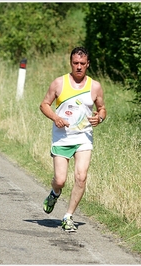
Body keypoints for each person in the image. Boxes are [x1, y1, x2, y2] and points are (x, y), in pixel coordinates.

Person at [39, 47, 107, 231]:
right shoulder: (59, 83)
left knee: (81, 177)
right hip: (62, 138)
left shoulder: (95, 86)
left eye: (82, 64)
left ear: (88, 64)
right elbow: (44, 104)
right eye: (75, 63)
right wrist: (56, 118)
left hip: (84, 137)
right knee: (60, 180)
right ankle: (54, 193)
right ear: (71, 63)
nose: (78, 67)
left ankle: (68, 216)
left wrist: (99, 118)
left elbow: (102, 108)